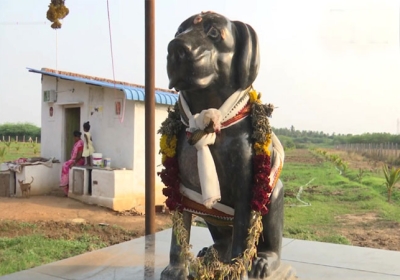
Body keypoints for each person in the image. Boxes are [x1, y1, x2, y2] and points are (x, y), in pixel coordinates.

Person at [60, 130, 84, 196]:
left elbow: (79, 155)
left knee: (65, 166)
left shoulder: (80, 143)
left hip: (79, 161)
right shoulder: (77, 143)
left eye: (74, 137)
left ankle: (65, 185)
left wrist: (74, 162)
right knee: (65, 165)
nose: (74, 139)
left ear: (76, 137)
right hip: (74, 160)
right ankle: (66, 185)